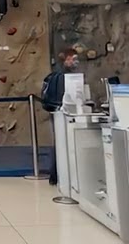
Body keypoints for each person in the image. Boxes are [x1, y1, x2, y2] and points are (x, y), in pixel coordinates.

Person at [47, 48, 80, 186]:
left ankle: (56, 174)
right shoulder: (64, 76)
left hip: (56, 112)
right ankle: (56, 174)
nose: (75, 62)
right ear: (66, 60)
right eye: (72, 59)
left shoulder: (57, 74)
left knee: (58, 143)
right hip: (61, 112)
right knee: (61, 143)